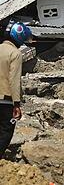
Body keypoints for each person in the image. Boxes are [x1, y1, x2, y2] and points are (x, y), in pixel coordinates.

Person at [0, 22, 30, 156]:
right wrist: (16, 103)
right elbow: (14, 80)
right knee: (6, 131)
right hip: (5, 100)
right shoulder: (15, 53)